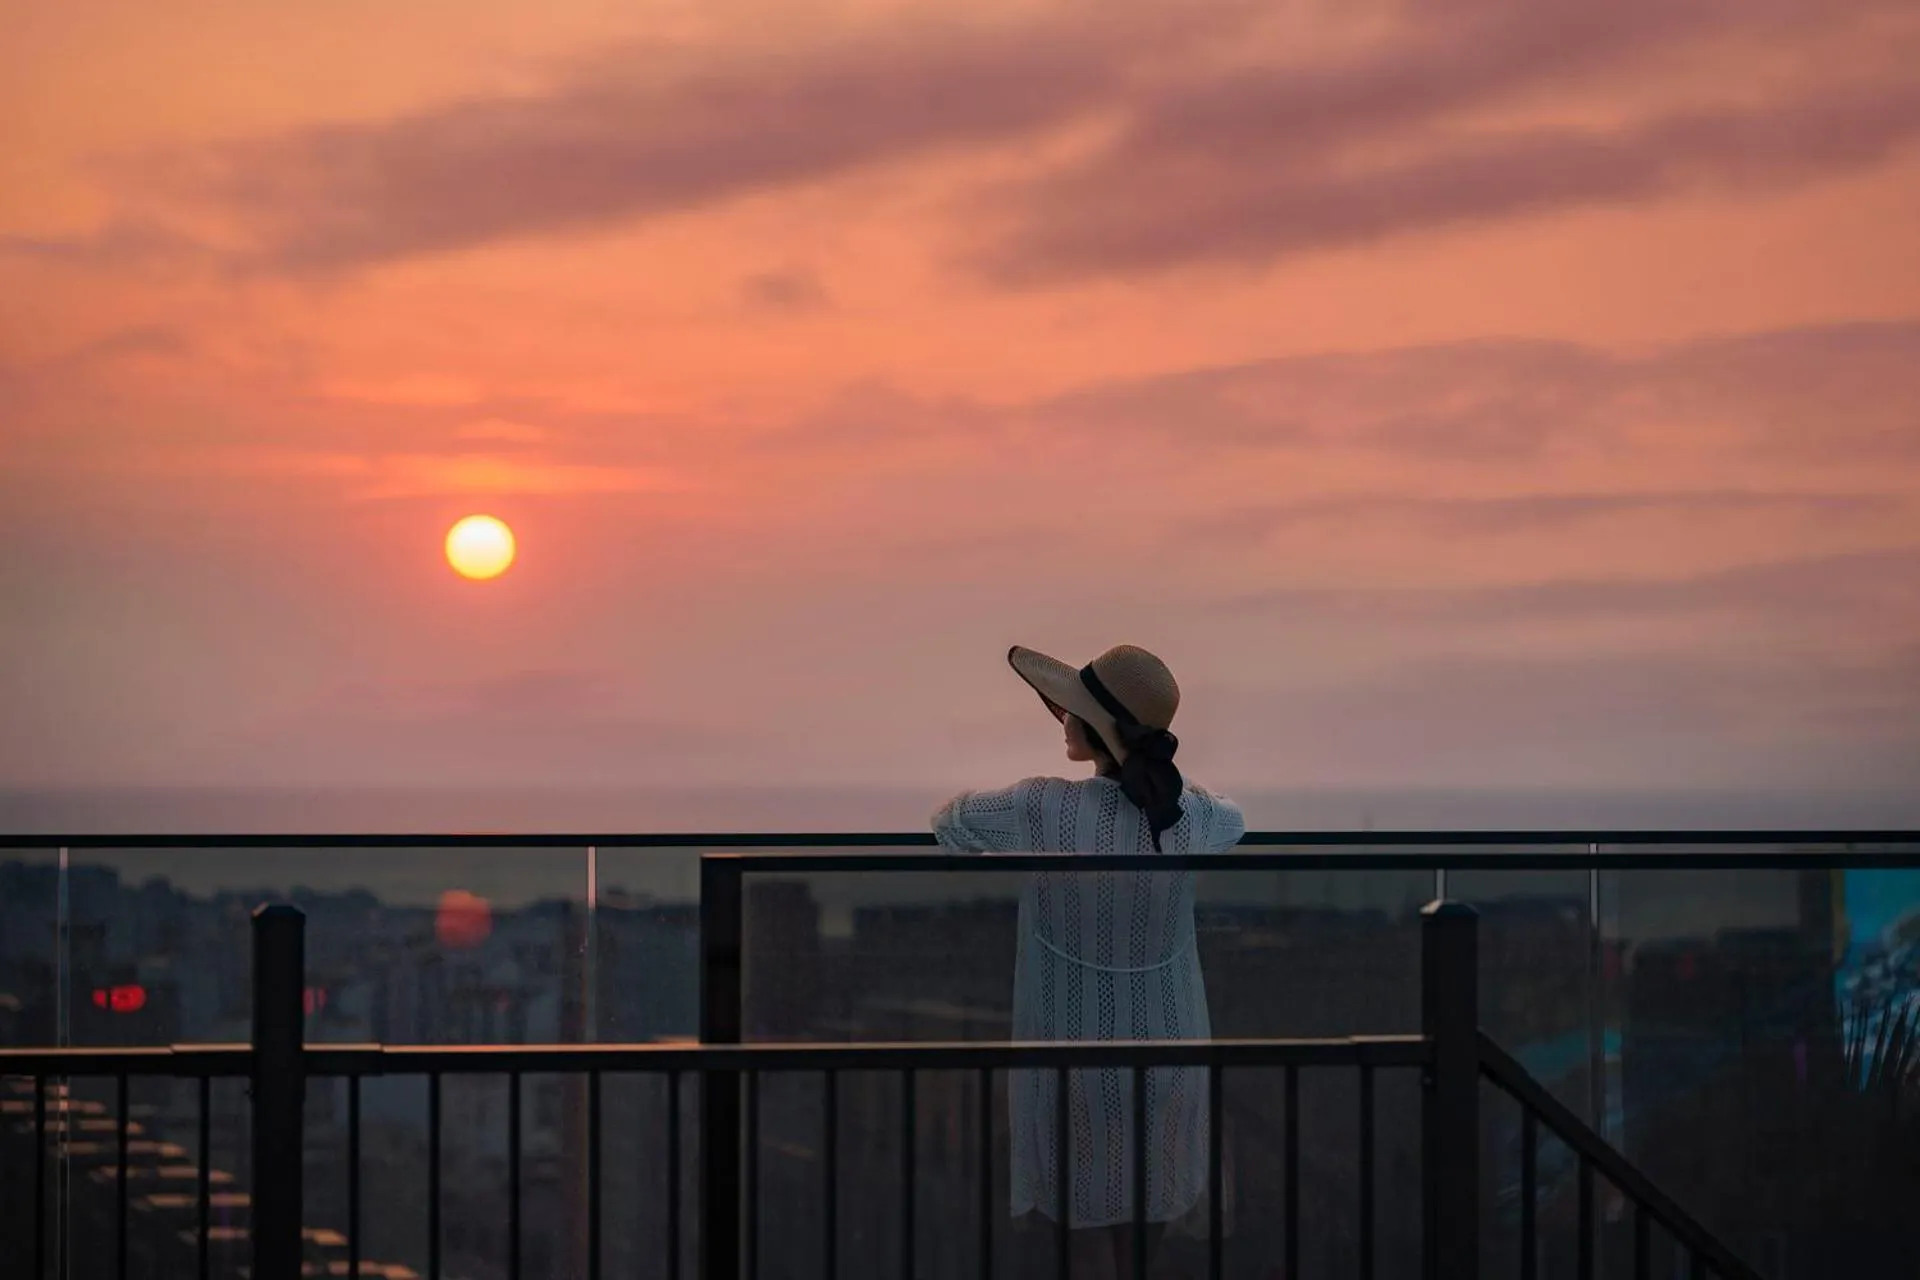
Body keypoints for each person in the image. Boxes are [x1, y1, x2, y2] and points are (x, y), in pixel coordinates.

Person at [932, 644, 1246, 1280]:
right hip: (1171, 1051)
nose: (1063, 720)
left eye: (1072, 711)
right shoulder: (1190, 815)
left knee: (1082, 1237)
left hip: (1073, 1052)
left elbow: (951, 823)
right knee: (1144, 1234)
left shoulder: (1042, 805)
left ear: (1100, 729)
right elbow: (1234, 820)